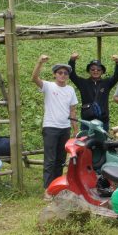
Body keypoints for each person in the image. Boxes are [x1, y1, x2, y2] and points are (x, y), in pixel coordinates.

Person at [32, 55, 78, 189]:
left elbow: (72, 110)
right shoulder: (48, 86)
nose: (63, 75)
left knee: (61, 160)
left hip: (65, 128)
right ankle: (47, 189)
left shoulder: (70, 90)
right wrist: (39, 62)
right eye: (60, 72)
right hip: (50, 127)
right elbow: (34, 78)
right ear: (55, 74)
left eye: (65, 73)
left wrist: (75, 129)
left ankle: (56, 187)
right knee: (50, 160)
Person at [68, 52, 118, 131]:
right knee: (86, 139)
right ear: (89, 71)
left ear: (102, 71)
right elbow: (72, 75)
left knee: (103, 139)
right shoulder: (83, 83)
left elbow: (117, 76)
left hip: (103, 120)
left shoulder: (107, 83)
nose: (95, 71)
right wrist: (72, 60)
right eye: (92, 69)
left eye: (98, 70)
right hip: (87, 120)